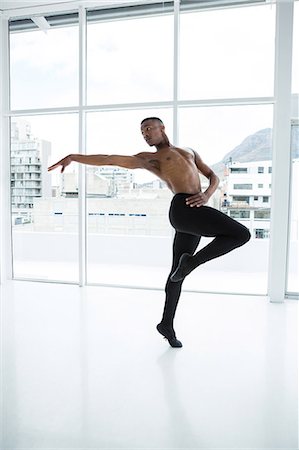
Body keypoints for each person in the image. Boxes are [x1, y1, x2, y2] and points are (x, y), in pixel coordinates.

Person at [48, 117, 251, 348]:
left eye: (148, 129)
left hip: (197, 207)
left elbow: (213, 176)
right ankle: (190, 264)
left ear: (161, 128)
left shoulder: (189, 151)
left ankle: (166, 324)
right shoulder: (149, 159)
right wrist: (74, 157)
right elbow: (109, 159)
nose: (145, 134)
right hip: (183, 209)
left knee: (177, 272)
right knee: (241, 234)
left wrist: (207, 194)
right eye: (142, 131)